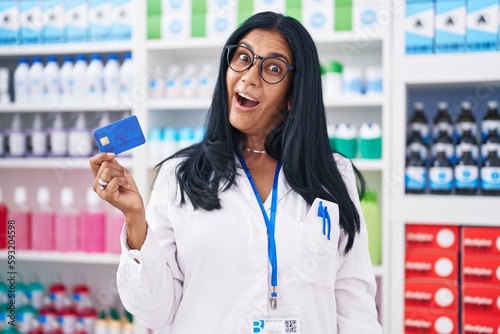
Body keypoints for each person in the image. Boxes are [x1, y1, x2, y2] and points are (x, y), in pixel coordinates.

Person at [89, 11, 382, 334]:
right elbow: (155, 313)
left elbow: (355, 306)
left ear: (293, 95)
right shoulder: (179, 176)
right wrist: (134, 220)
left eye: (273, 68)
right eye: (242, 58)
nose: (249, 77)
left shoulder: (332, 174)